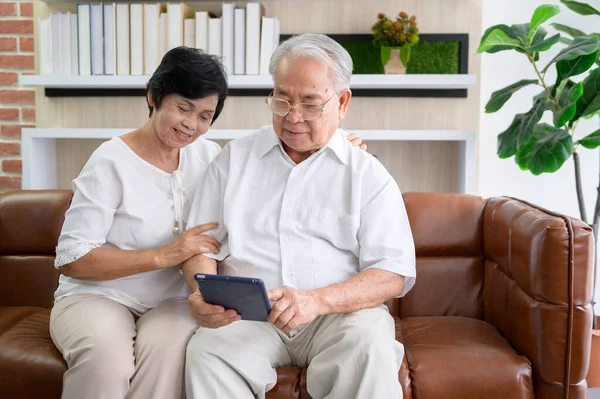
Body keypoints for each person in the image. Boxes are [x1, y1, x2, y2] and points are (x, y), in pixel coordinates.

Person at [49, 46, 367, 399]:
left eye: (204, 115)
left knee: (171, 352)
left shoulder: (209, 156)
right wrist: (163, 255)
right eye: (183, 108)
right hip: (99, 297)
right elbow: (73, 258)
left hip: (171, 303)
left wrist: (337, 146)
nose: (190, 124)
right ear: (153, 96)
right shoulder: (110, 161)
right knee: (106, 360)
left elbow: (272, 177)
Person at [182, 33, 417, 399]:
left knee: (369, 346)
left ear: (342, 103)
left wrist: (318, 300)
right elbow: (201, 244)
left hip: (338, 318)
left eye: (310, 104)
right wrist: (199, 291)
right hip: (249, 318)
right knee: (207, 352)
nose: (293, 117)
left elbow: (393, 273)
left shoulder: (367, 174)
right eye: (281, 99)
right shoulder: (233, 160)